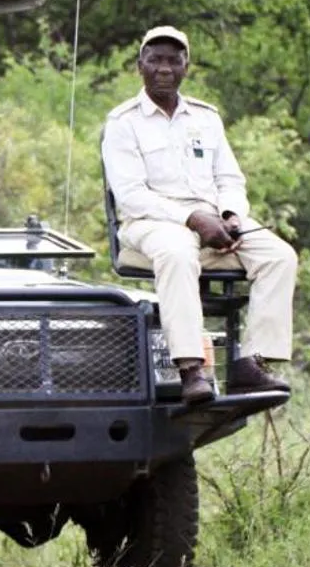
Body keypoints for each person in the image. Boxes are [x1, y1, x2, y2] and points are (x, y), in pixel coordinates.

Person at [101, 25, 297, 405]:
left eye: (173, 60)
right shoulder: (123, 122)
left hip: (212, 223)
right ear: (139, 65)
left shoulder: (206, 118)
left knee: (279, 256)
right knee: (176, 253)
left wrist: (232, 216)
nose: (164, 68)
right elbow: (131, 196)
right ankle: (192, 369)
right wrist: (193, 219)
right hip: (152, 224)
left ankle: (252, 364)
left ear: (186, 66)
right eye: (155, 59)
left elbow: (229, 179)